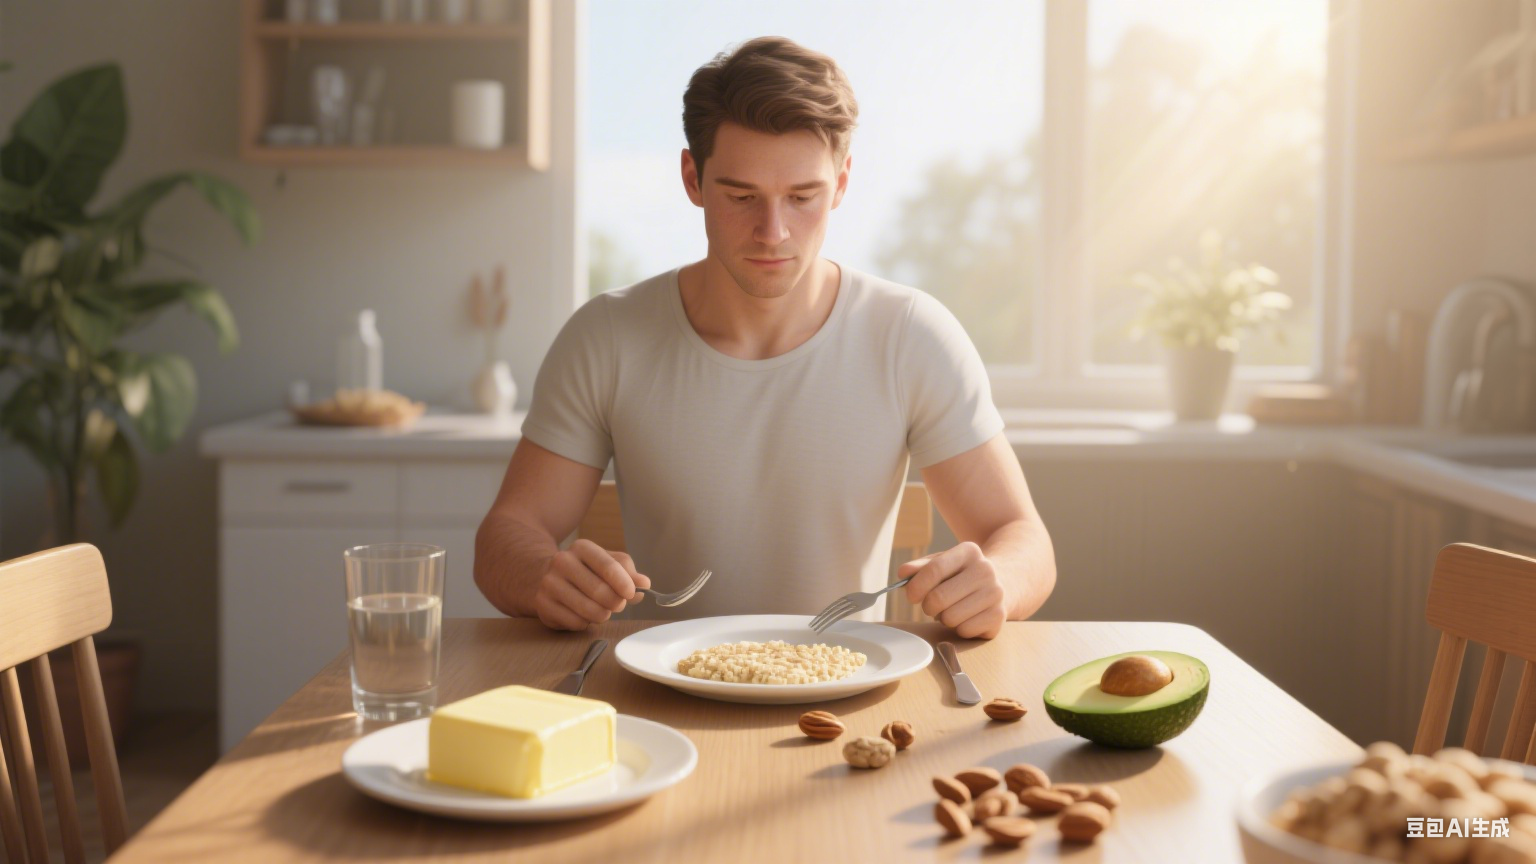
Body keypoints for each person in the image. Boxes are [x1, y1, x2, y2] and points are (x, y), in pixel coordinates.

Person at [474, 36, 1055, 640]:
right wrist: (543, 575)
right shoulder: (607, 336)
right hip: (660, 693)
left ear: (842, 183)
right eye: (741, 196)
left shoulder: (911, 335)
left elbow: (1023, 538)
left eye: (803, 198)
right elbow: (505, 535)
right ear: (692, 179)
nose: (772, 232)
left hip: (851, 693)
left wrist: (1000, 582)